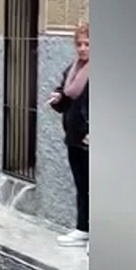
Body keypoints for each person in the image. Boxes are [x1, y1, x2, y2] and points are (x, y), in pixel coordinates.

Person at [48, 22, 89, 252]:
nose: (82, 49)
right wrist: (57, 98)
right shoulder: (72, 69)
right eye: (79, 44)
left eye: (87, 44)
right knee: (82, 185)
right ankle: (83, 229)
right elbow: (66, 100)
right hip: (74, 137)